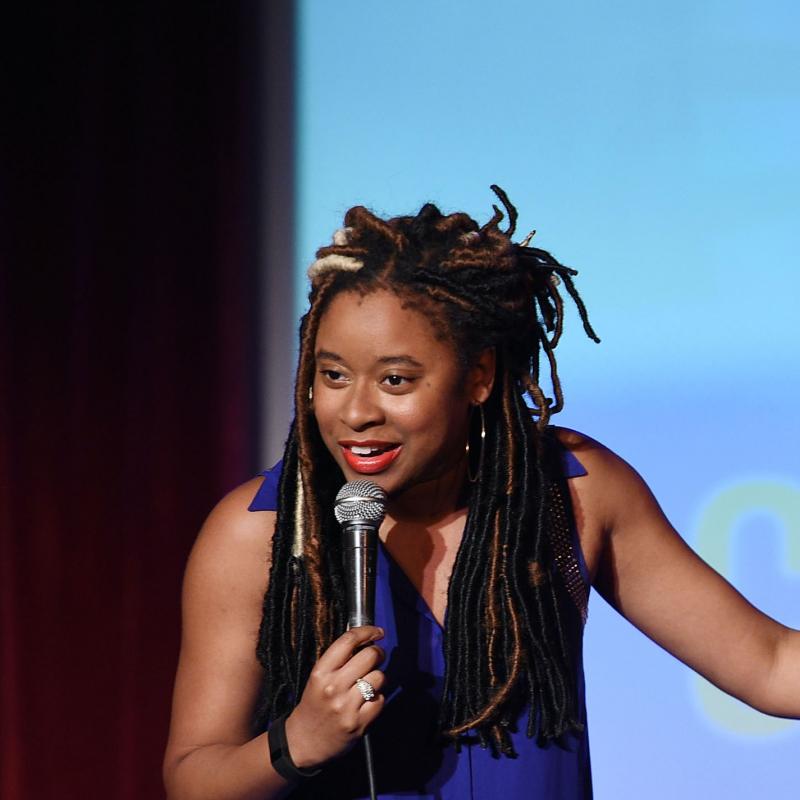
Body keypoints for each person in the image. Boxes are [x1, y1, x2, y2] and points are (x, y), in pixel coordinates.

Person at [163, 187, 800, 799]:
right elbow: (193, 777)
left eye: (396, 379)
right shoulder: (260, 531)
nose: (356, 412)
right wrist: (296, 741)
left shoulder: (566, 493)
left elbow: (772, 666)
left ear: (478, 376)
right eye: (333, 375)